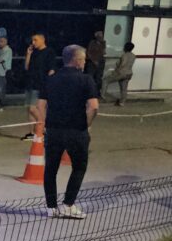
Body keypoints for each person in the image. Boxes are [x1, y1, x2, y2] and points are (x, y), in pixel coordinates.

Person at [37, 45, 99, 219]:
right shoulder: (86, 80)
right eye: (84, 59)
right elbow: (93, 106)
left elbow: (40, 105)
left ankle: (51, 207)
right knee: (79, 167)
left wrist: (46, 124)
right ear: (77, 60)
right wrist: (86, 124)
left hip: (54, 130)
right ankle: (68, 205)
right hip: (76, 130)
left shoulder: (51, 79)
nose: (84, 63)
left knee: (51, 169)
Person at [22, 32, 57, 140]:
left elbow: (52, 69)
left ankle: (45, 127)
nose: (33, 42)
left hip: (40, 84)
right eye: (32, 40)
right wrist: (28, 54)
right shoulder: (34, 52)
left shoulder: (49, 52)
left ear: (43, 40)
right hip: (30, 83)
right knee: (29, 109)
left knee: (33, 108)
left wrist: (49, 83)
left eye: (35, 40)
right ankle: (32, 133)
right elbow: (26, 67)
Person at [102, 42, 136, 107]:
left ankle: (103, 96)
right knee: (124, 89)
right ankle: (122, 102)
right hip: (129, 73)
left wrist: (116, 71)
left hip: (121, 73)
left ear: (126, 47)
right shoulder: (133, 56)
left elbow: (123, 64)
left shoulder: (125, 55)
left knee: (105, 80)